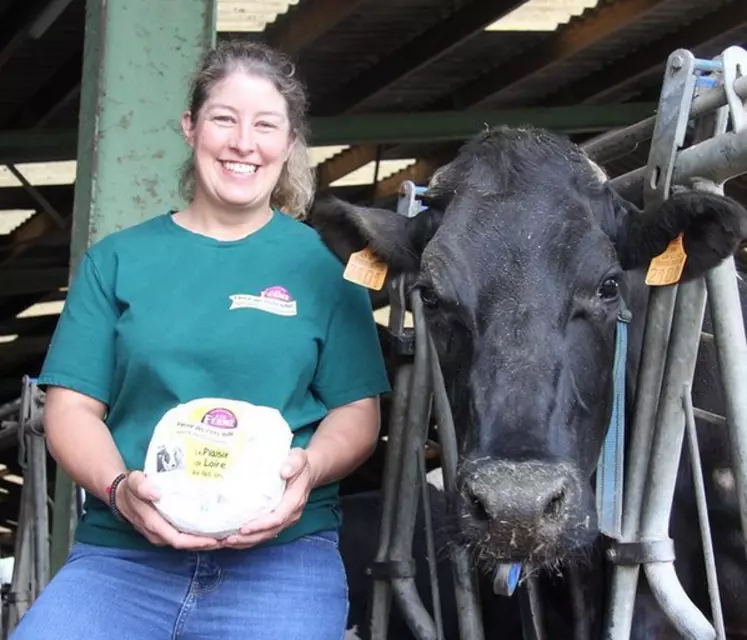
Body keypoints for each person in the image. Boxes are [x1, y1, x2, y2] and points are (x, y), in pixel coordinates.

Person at [12, 40, 390, 640]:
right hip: (123, 559)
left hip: (279, 562)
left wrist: (309, 471)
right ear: (191, 127)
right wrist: (118, 490)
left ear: (288, 143)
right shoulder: (117, 260)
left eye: (265, 125)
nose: (244, 142)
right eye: (224, 119)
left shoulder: (326, 265)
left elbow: (357, 411)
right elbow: (71, 408)